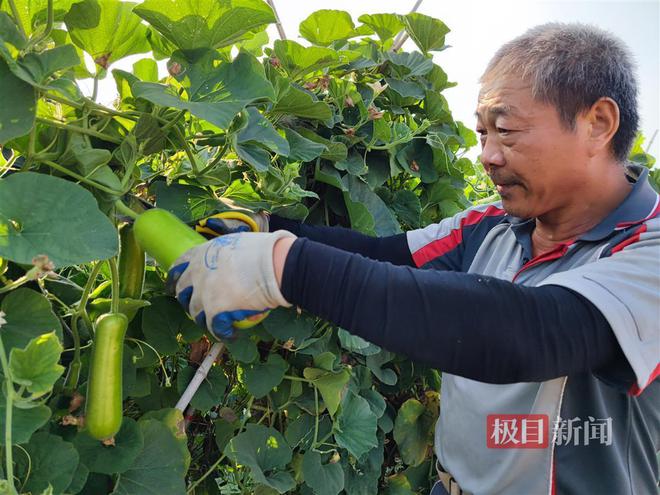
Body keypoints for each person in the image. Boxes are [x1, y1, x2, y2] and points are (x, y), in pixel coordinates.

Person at [167, 23, 660, 495]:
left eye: (505, 130)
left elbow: (532, 332)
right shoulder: (489, 223)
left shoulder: (649, 248)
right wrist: (269, 228)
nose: (487, 154)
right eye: (482, 133)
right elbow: (388, 256)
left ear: (597, 125)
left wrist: (284, 267)